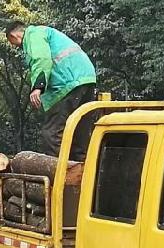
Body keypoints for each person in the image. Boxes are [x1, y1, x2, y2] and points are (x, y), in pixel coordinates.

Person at [6, 21, 97, 159]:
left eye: (12, 42)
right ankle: (80, 175)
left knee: (52, 133)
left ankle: (57, 176)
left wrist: (38, 87)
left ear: (13, 36)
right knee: (79, 135)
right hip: (86, 79)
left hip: (67, 83)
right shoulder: (47, 33)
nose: (15, 46)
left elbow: (41, 59)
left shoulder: (33, 34)